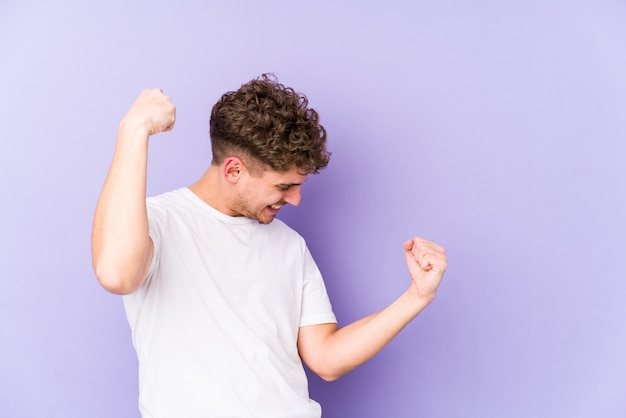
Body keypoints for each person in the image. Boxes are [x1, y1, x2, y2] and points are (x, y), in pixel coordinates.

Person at [91, 74, 447, 418]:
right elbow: (117, 274)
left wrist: (417, 296)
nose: (295, 200)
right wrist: (134, 129)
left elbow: (325, 358)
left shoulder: (290, 245)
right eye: (283, 186)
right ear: (233, 170)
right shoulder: (155, 223)